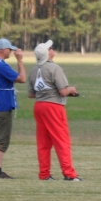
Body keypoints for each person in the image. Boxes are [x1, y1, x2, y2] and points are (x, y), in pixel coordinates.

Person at [28, 40, 81, 181]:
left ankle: (44, 174)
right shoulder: (54, 68)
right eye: (51, 48)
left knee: (43, 143)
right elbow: (63, 91)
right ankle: (69, 174)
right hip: (54, 107)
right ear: (48, 53)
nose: (53, 49)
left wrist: (46, 93)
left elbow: (31, 94)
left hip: (39, 106)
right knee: (62, 140)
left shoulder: (33, 70)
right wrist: (71, 89)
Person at [0, 38, 26, 179]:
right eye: (10, 49)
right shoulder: (1, 66)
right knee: (1, 141)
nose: (11, 52)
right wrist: (20, 60)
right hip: (3, 106)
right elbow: (22, 79)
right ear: (3, 50)